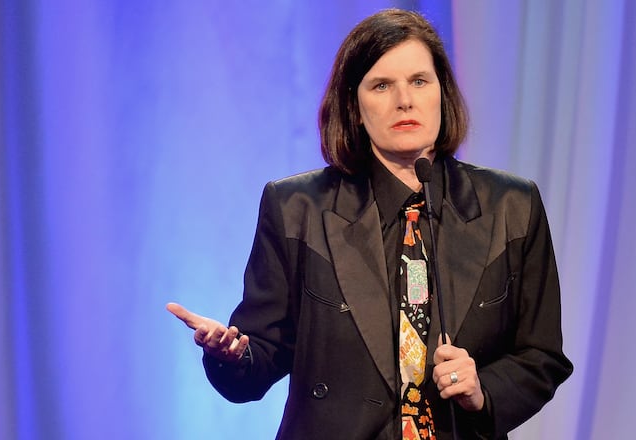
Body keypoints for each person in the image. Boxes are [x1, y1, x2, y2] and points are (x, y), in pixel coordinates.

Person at [167, 8, 572, 439]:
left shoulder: (512, 205)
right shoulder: (296, 208)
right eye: (382, 85)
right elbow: (261, 358)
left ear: (442, 93)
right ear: (355, 107)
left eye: (419, 81)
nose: (405, 100)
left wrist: (484, 391)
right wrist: (231, 355)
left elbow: (541, 356)